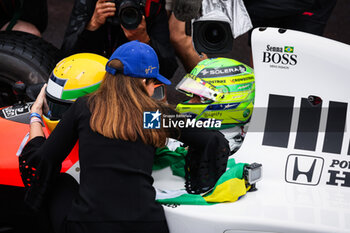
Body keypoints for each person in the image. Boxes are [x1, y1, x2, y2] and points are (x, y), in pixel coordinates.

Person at [19, 41, 230, 233]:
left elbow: (42, 160)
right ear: (145, 82)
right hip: (147, 225)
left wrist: (36, 115)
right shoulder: (155, 115)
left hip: (89, 226)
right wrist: (196, 175)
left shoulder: (85, 107)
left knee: (61, 181)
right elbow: (213, 140)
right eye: (154, 84)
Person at [62, 0, 178, 80]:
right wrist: (92, 25)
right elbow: (66, 59)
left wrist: (144, 40)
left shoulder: (151, 5)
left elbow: (167, 70)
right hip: (93, 77)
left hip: (134, 83)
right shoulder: (93, 3)